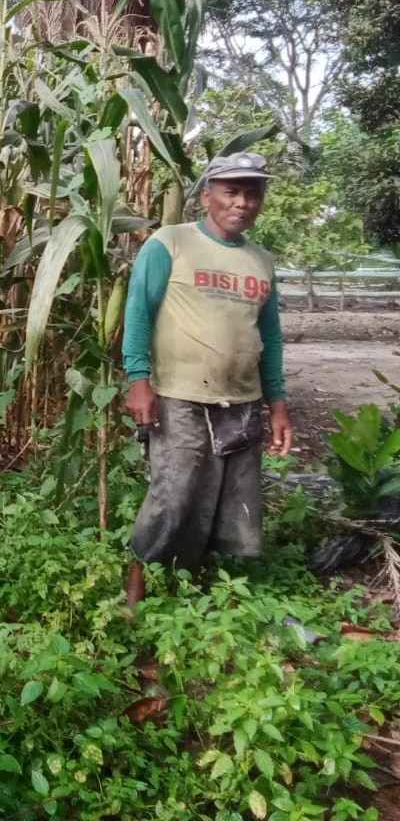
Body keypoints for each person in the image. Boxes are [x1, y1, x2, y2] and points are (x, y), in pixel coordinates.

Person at [121, 152, 295, 609]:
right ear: (207, 196)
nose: (242, 202)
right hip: (180, 396)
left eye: (252, 193)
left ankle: (190, 591)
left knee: (220, 500)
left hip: (241, 400)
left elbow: (270, 337)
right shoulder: (171, 243)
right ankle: (133, 596)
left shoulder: (261, 261)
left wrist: (276, 404)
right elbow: (138, 312)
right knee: (173, 494)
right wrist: (139, 379)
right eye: (231, 191)